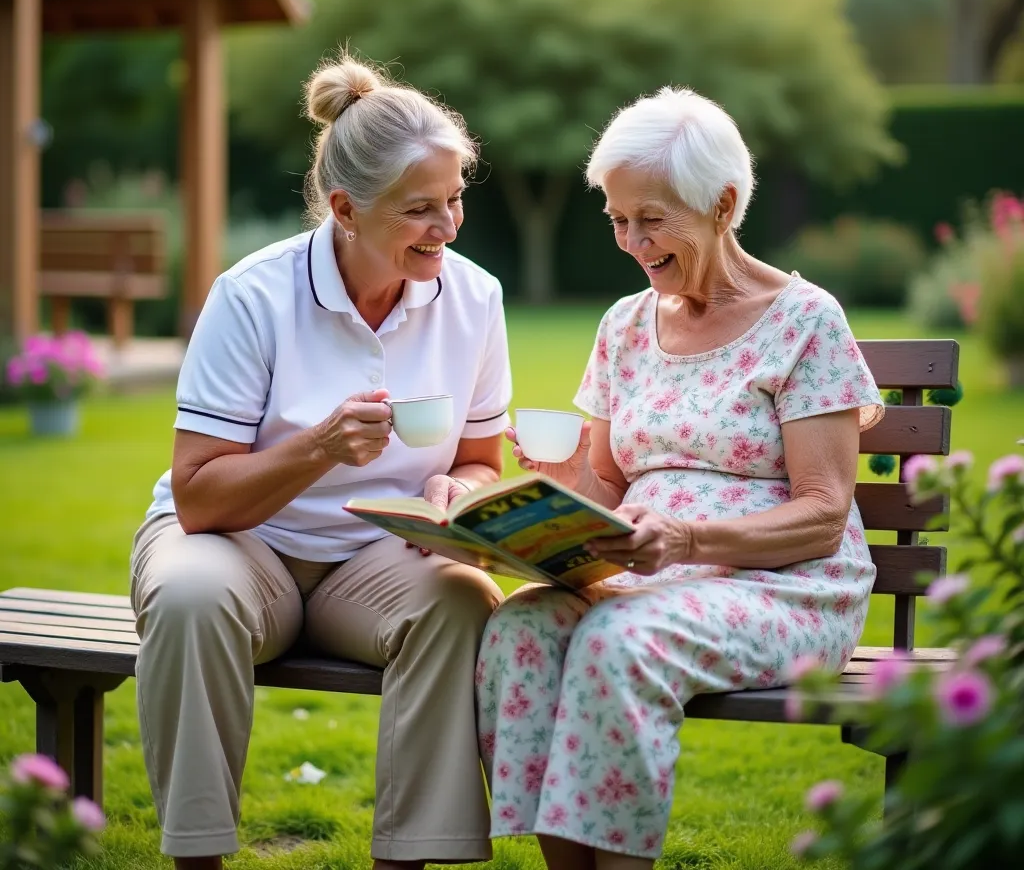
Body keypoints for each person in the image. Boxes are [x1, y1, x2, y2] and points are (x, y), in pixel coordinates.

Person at [476, 87, 884, 869]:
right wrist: (552, 494)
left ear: (724, 203)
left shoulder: (807, 321)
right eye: (618, 218)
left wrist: (691, 536)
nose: (631, 241)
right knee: (520, 628)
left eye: (651, 218)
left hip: (785, 587)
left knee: (618, 639)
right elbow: (605, 488)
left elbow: (824, 514)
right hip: (649, 576)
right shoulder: (625, 325)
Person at [131, 56, 512, 870]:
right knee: (192, 595)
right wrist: (317, 448)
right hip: (240, 547)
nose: (446, 225)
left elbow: (483, 458)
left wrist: (458, 491)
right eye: (419, 210)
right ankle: (196, 858)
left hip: (374, 560)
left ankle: (407, 859)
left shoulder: (474, 299)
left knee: (463, 597)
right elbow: (198, 500)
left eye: (454, 200)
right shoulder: (253, 297)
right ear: (345, 208)